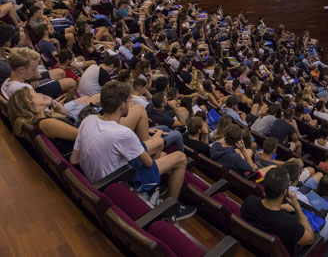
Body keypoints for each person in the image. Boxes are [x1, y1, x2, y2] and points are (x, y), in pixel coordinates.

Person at [69, 81, 196, 218]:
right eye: (129, 100)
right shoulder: (123, 133)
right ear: (122, 105)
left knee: (158, 143)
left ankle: (153, 188)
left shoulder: (89, 120)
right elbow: (148, 163)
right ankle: (172, 210)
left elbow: (74, 159)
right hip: (119, 179)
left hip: (98, 175)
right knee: (180, 157)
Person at [241, 166, 328, 257]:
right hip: (294, 252)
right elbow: (310, 239)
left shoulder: (249, 201)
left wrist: (282, 206)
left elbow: (268, 211)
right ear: (285, 192)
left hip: (253, 248)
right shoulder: (288, 223)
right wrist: (297, 208)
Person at [1, 47, 76, 100]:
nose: (36, 72)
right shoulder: (26, 89)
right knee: (72, 84)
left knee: (60, 72)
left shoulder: (7, 81)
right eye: (33, 69)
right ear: (21, 70)